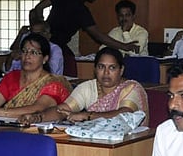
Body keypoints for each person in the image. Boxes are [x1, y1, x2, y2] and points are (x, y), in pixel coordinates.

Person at [30, 0, 138, 76]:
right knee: (68, 72)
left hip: (42, 43)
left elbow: (39, 8)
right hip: (55, 46)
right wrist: (124, 46)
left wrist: (41, 27)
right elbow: (98, 36)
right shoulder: (81, 11)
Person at [20, 47, 148, 125]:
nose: (106, 73)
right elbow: (63, 110)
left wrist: (87, 116)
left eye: (112, 68)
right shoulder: (88, 88)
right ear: (95, 69)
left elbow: (124, 114)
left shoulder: (131, 88)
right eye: (101, 67)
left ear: (121, 70)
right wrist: (38, 117)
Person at [0, 33, 71, 119]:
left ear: (45, 58)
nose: (27, 56)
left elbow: (37, 109)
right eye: (24, 51)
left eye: (34, 52)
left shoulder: (52, 83)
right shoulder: (12, 77)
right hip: (9, 128)